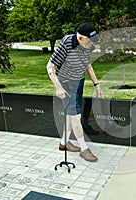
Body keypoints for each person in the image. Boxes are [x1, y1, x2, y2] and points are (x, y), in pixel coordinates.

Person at [47, 22, 102, 162]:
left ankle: (63, 143)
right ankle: (84, 148)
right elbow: (50, 66)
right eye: (89, 41)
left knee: (71, 115)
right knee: (75, 115)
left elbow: (87, 65)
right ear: (80, 39)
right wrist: (58, 87)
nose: (92, 45)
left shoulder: (88, 45)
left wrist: (97, 85)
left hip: (79, 82)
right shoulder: (66, 43)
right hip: (66, 84)